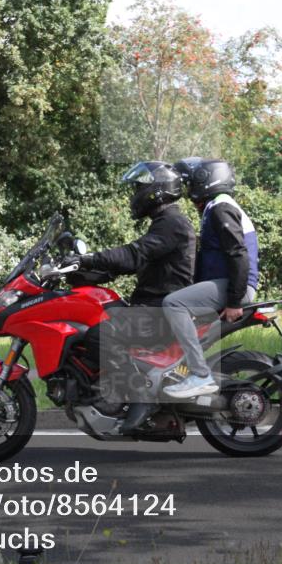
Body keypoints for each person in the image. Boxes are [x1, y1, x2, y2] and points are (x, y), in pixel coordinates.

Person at [68, 161, 196, 431]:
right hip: (153, 306)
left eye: (139, 188)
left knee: (99, 335)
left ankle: (141, 395)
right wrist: (86, 273)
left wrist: (89, 259)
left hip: (160, 312)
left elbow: (134, 254)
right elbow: (137, 263)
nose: (134, 194)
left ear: (156, 189)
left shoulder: (172, 223)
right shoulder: (164, 223)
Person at [161, 157, 259, 399]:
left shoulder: (220, 208)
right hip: (227, 285)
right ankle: (182, 374)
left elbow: (238, 254)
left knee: (173, 304)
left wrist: (235, 300)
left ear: (205, 180)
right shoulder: (217, 206)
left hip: (235, 287)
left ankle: (199, 375)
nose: (187, 190)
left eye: (190, 183)